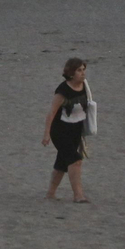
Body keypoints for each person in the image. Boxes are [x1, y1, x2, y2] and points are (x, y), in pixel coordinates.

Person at [42, 57, 91, 202]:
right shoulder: (62, 90)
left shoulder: (84, 85)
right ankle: (78, 195)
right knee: (75, 160)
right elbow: (51, 113)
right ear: (70, 73)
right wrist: (46, 134)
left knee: (62, 163)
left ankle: (50, 194)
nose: (82, 73)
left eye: (83, 70)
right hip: (61, 131)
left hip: (76, 130)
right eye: (79, 70)